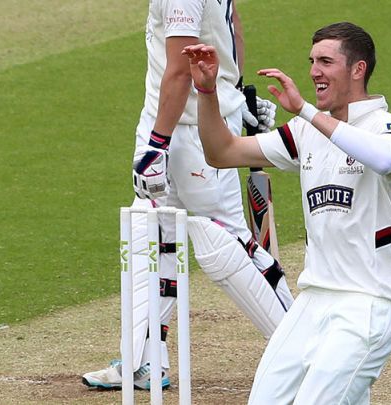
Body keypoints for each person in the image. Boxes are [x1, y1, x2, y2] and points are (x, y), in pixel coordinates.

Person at [183, 21, 391, 404]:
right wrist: (206, 91)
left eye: (325, 61)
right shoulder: (306, 132)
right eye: (312, 61)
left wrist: (306, 111)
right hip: (311, 302)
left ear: (357, 69)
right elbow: (221, 152)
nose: (313, 72)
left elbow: (387, 159)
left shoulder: (385, 126)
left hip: (368, 304)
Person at [81, 0, 294, 391]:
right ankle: (144, 360)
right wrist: (234, 92)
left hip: (191, 129)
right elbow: (233, 26)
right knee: (153, 234)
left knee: (227, 240)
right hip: (176, 119)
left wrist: (157, 144)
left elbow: (181, 69)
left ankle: (302, 350)